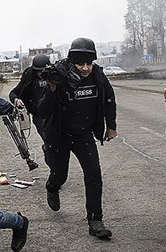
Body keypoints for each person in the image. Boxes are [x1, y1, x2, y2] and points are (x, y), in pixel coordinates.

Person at [38, 37, 117, 240]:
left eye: (89, 63)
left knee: (94, 175)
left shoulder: (98, 76)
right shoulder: (60, 76)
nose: (85, 68)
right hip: (60, 135)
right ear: (73, 62)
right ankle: (52, 186)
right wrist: (52, 89)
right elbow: (43, 110)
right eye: (80, 64)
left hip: (83, 135)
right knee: (60, 175)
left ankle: (95, 220)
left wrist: (111, 126)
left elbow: (109, 99)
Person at [9, 54, 51, 142]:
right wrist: (16, 100)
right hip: (38, 115)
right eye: (38, 72)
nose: (41, 74)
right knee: (48, 140)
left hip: (55, 114)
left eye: (43, 71)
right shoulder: (29, 77)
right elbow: (13, 93)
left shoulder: (56, 76)